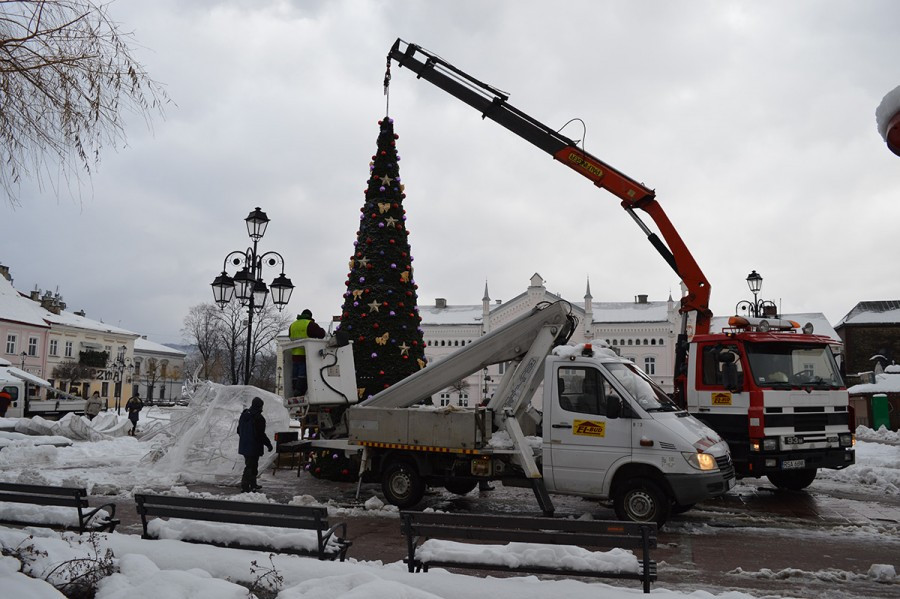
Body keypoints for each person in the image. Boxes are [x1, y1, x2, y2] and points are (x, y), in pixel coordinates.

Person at [237, 396, 273, 492]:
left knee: (253, 465)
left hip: (244, 445)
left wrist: (245, 438)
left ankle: (253, 484)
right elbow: (260, 434)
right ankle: (245, 486)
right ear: (260, 406)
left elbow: (238, 430)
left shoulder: (244, 415)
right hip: (253, 446)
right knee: (250, 466)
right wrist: (268, 444)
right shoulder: (259, 418)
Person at [288, 309, 326, 396]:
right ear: (310, 316)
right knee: (303, 374)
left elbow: (290, 337)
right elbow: (321, 334)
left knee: (295, 375)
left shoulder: (292, 325)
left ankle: (295, 390)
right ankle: (300, 391)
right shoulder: (310, 324)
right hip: (306, 355)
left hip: (294, 355)